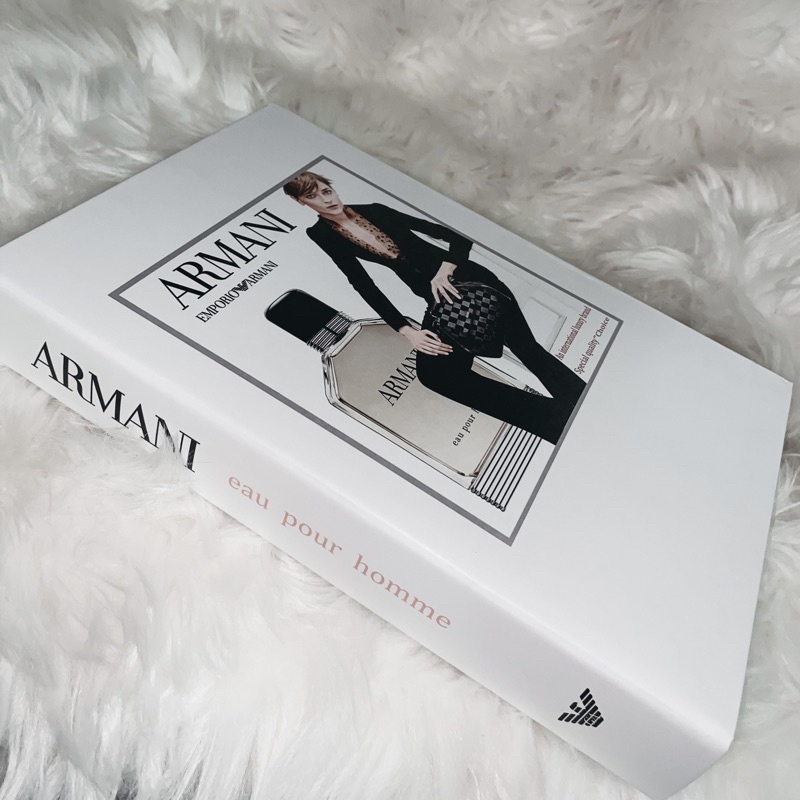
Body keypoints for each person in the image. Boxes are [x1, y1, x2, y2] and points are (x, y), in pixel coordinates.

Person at [283, 171, 585, 444]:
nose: (327, 199)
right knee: (442, 375)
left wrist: (445, 269)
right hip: (440, 301)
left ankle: (569, 419)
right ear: (300, 202)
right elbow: (361, 282)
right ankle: (557, 419)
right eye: (313, 196)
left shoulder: (375, 210)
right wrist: (406, 330)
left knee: (525, 350)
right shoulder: (322, 234)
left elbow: (457, 240)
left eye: (327, 190)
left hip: (472, 282)